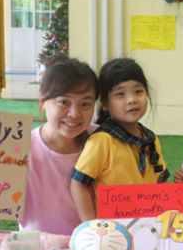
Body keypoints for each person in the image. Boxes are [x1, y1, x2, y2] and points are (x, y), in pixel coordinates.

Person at [0, 54, 98, 235]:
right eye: (64, 102)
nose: (75, 113)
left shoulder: (104, 142)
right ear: (43, 102)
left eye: (86, 104)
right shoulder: (16, 147)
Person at [70, 58, 169, 221]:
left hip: (148, 230)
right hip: (112, 232)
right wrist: (90, 226)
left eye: (138, 91)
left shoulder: (151, 140)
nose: (132, 99)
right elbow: (78, 184)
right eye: (120, 94)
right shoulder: (102, 141)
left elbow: (161, 184)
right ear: (105, 104)